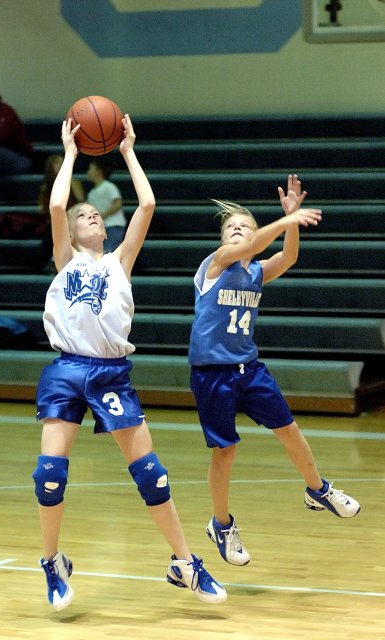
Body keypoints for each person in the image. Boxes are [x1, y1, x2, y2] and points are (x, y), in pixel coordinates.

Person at [32, 116, 227, 611]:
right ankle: (52, 563)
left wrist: (127, 150)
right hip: (67, 370)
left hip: (111, 373)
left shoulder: (121, 261)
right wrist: (70, 152)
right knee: (49, 474)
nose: (91, 216)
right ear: (70, 232)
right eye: (82, 216)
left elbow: (148, 204)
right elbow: (57, 204)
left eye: (95, 213)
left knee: (151, 475)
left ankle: (185, 563)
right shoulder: (66, 259)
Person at [188, 175, 360, 568]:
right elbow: (250, 247)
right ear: (222, 238)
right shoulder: (215, 264)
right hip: (212, 373)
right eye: (230, 226)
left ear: (254, 233)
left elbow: (289, 257)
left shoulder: (256, 272)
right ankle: (221, 525)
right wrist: (286, 220)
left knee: (289, 429)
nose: (236, 229)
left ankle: (317, 489)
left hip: (249, 368)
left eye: (244, 225)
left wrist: (291, 222)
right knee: (225, 452)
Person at [37, 153, 85, 273]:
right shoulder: (46, 186)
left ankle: (55, 262)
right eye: (57, 162)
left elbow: (80, 200)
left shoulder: (73, 181)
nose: (61, 164)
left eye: (62, 162)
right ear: (51, 166)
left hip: (72, 220)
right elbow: (42, 207)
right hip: (54, 221)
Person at [87, 157, 127, 252]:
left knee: (109, 252)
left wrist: (102, 215)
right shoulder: (91, 193)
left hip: (114, 225)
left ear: (99, 172)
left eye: (90, 169)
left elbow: (117, 204)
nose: (88, 172)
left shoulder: (109, 187)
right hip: (102, 228)